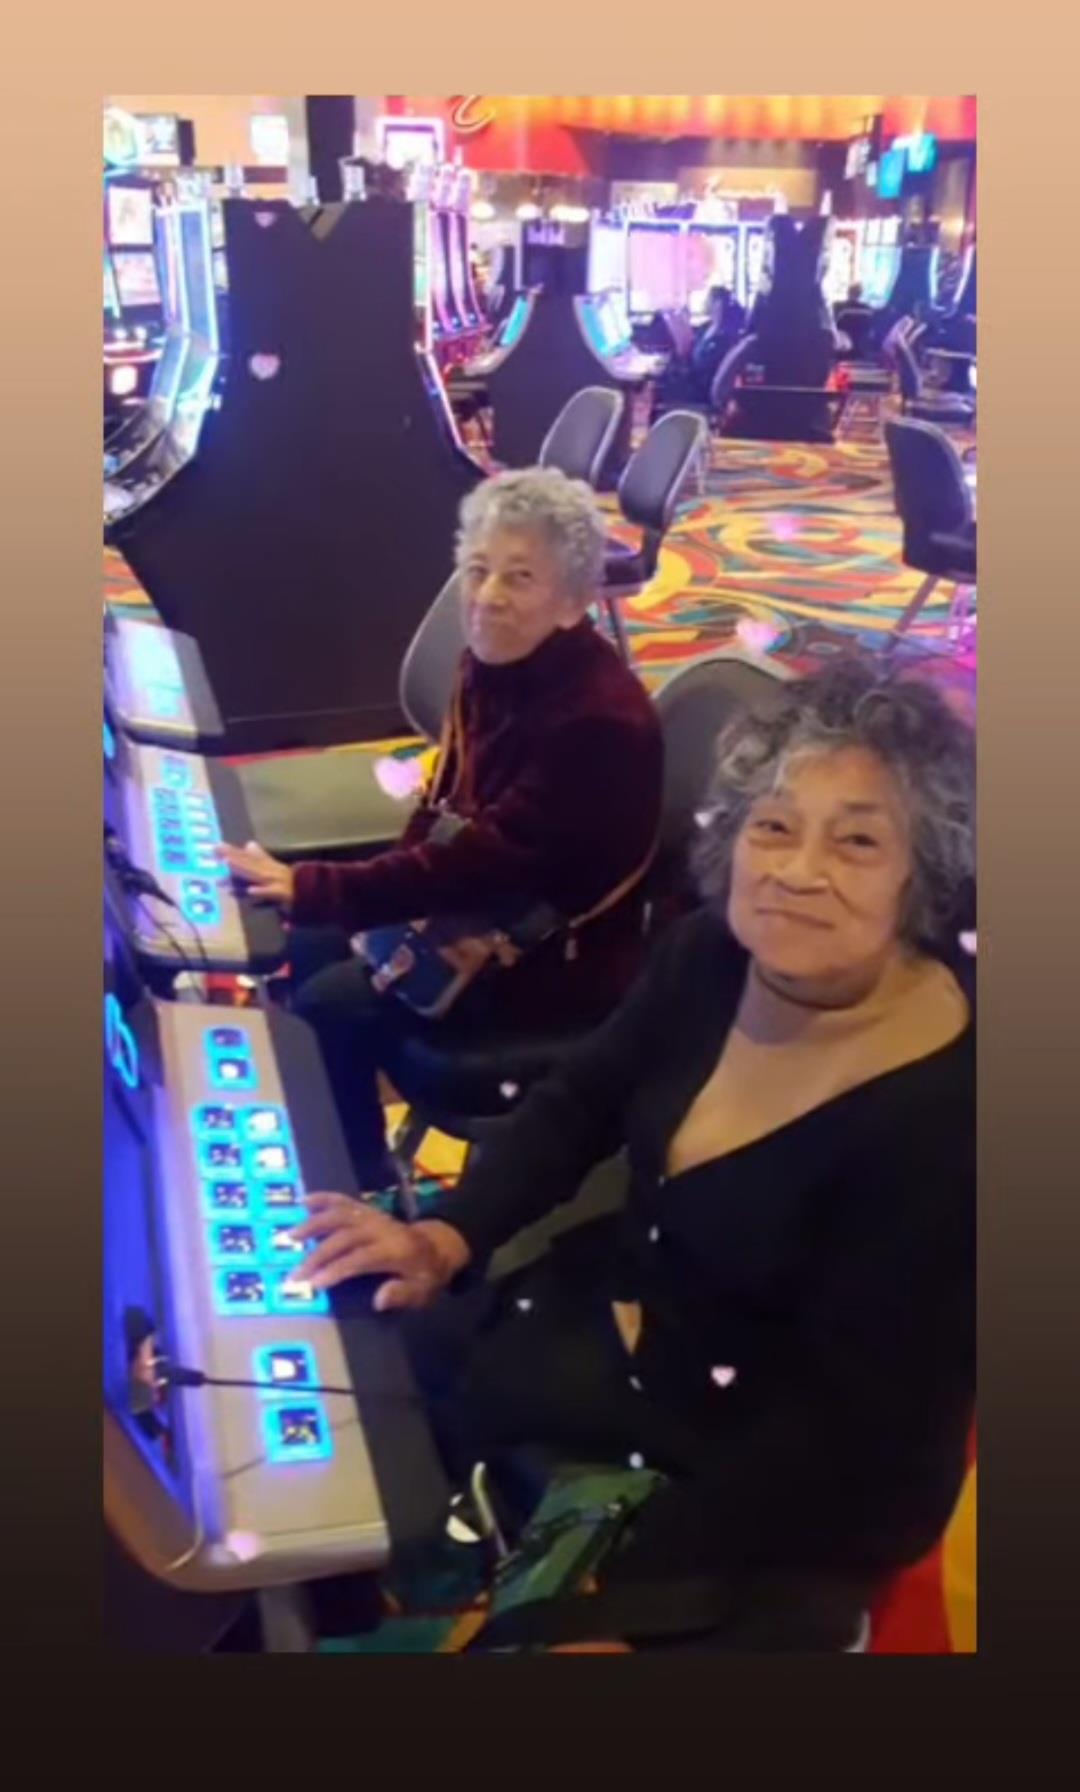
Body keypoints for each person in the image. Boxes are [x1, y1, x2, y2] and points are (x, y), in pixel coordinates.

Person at [290, 659, 976, 1650]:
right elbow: (580, 1104)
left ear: (926, 872)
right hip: (636, 1315)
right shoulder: (709, 955)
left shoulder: (950, 1118)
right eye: (774, 825)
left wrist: (623, 1601)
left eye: (859, 840)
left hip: (780, 1478)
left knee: (528, 1637)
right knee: (356, 1358)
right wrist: (446, 1232)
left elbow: (849, 1434)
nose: (795, 868)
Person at [222, 469, 663, 1189]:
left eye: (520, 578)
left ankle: (353, 1185)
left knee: (329, 1002)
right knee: (307, 939)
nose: (488, 597)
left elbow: (484, 862)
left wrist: (321, 884)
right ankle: (337, 1158)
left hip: (555, 956)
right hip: (493, 907)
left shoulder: (597, 722)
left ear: (574, 602)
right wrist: (347, 896)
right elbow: (443, 812)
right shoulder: (492, 663)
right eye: (478, 570)